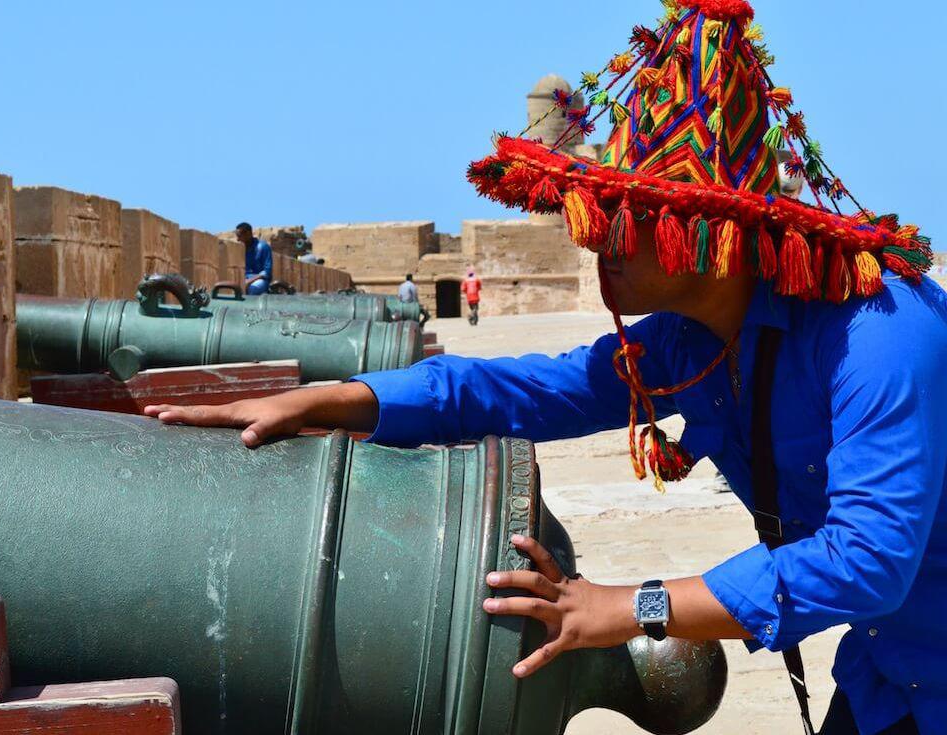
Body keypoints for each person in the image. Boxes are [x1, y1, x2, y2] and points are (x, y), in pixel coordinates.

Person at [147, 2, 942, 733]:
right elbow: (526, 389)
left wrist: (632, 606)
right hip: (892, 678)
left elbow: (866, 560)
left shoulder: (879, 332)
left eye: (623, 219)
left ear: (706, 231)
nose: (596, 240)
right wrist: (331, 399)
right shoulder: (692, 341)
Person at [235, 222, 273, 295]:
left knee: (252, 289)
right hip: (244, 280)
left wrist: (249, 281)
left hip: (259, 280)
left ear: (248, 234)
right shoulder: (241, 249)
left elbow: (267, 272)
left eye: (239, 236)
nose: (238, 239)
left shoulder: (263, 247)